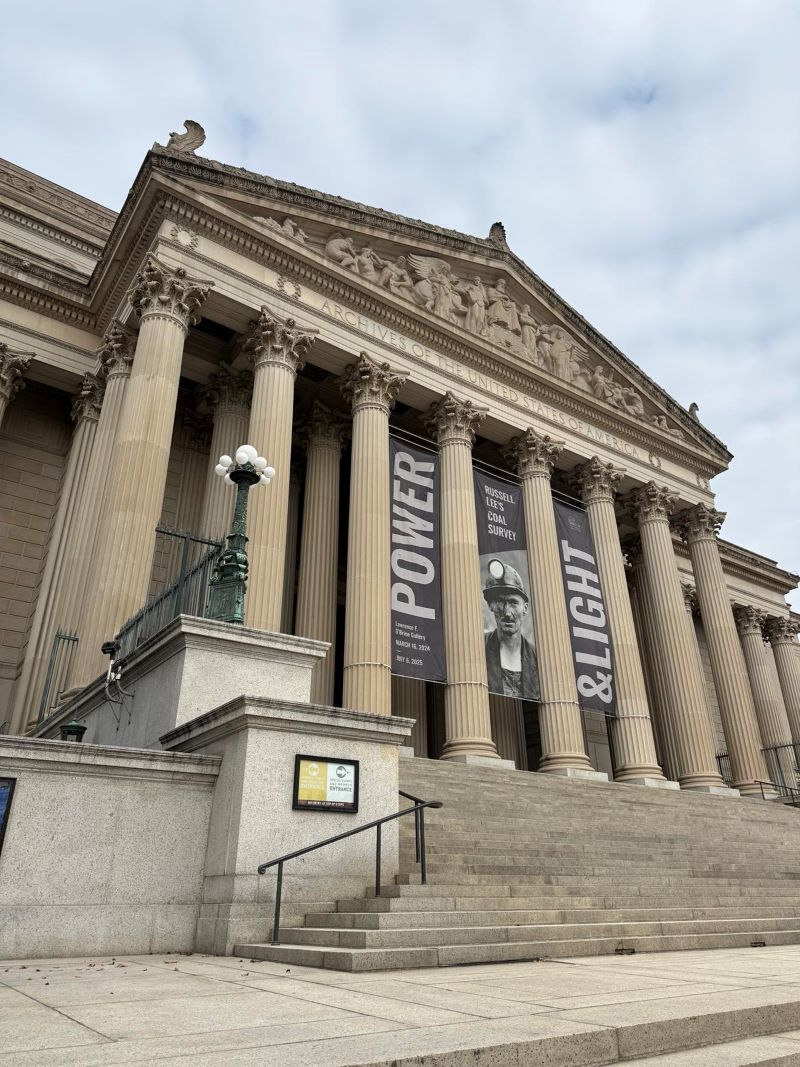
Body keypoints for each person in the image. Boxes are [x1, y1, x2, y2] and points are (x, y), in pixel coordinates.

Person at [482, 559, 540, 701]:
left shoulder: (538, 658)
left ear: (525, 608)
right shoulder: (478, 648)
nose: (507, 613)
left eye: (514, 602)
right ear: (491, 605)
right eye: (500, 601)